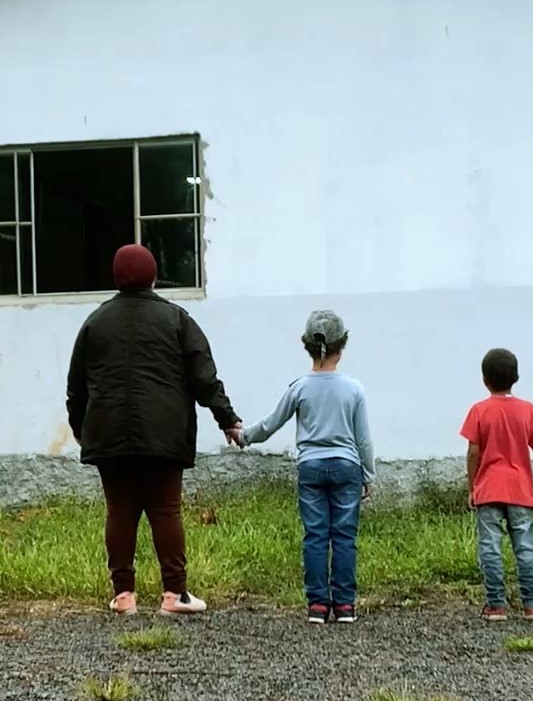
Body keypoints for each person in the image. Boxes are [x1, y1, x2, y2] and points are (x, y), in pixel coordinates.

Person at [66, 244, 241, 617]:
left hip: (109, 434)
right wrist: (226, 418)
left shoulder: (95, 323)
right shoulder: (177, 319)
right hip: (165, 434)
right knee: (165, 511)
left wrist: (80, 427)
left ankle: (124, 596)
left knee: (119, 511)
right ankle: (174, 595)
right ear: (154, 276)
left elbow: (76, 384)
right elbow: (204, 377)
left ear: (116, 277)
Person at [233, 310, 375, 625]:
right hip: (346, 466)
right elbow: (363, 439)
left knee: (315, 535)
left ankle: (318, 606)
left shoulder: (299, 388)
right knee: (344, 537)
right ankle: (345, 606)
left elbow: (270, 424)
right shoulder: (354, 389)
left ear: (306, 346)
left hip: (310, 467)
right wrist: (368, 474)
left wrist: (243, 437)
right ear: (343, 346)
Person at [460, 348, 533, 622]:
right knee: (525, 546)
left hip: (489, 488)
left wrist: (472, 487)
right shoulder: (527, 410)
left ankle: (496, 605)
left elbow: (473, 452)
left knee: (490, 547)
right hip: (519, 489)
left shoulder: (478, 410)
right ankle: (532, 605)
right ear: (516, 377)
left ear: (484, 379)